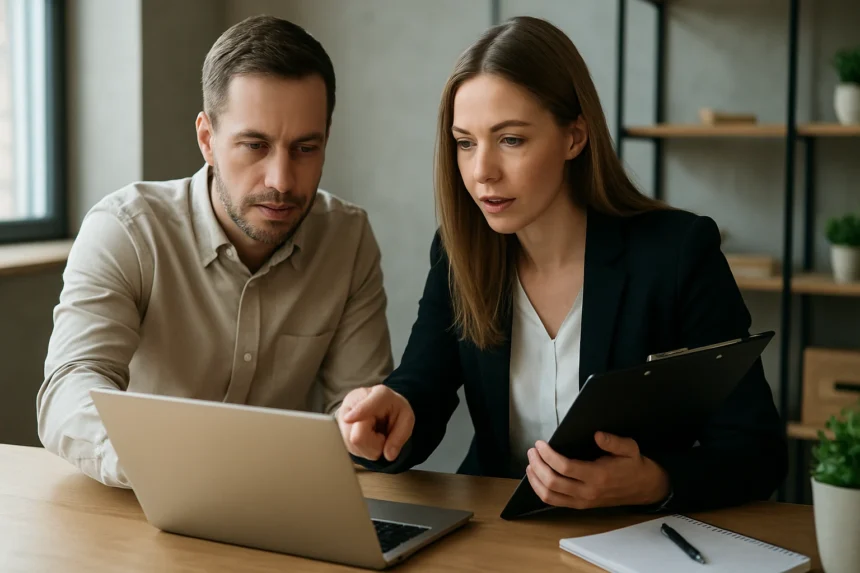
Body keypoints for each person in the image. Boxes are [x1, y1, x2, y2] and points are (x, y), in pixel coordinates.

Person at [337, 16, 788, 513]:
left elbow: (758, 452)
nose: (481, 171)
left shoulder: (678, 252)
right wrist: (391, 414)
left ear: (575, 137)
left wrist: (654, 481)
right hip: (498, 536)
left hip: (632, 540)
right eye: (465, 143)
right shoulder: (457, 251)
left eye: (511, 139)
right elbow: (420, 388)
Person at [37, 15, 393, 488]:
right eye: (255, 145)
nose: (282, 181)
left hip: (276, 507)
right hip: (142, 503)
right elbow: (70, 388)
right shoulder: (125, 231)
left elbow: (352, 412)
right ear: (207, 139)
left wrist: (360, 431)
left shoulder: (347, 239)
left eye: (306, 148)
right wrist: (162, 463)